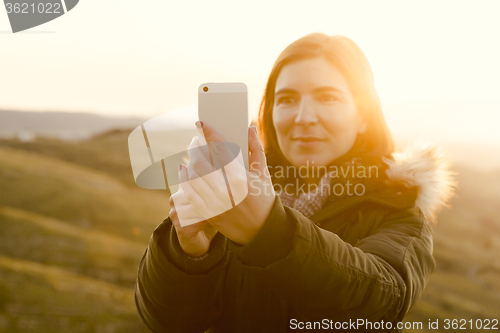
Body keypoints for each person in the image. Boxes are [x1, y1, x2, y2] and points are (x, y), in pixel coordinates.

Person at [134, 33, 456, 332]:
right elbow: (165, 321)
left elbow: (378, 304)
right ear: (269, 112)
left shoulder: (398, 209)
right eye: (286, 99)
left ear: (363, 116)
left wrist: (268, 229)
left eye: (327, 98)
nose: (303, 117)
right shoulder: (235, 191)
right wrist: (188, 254)